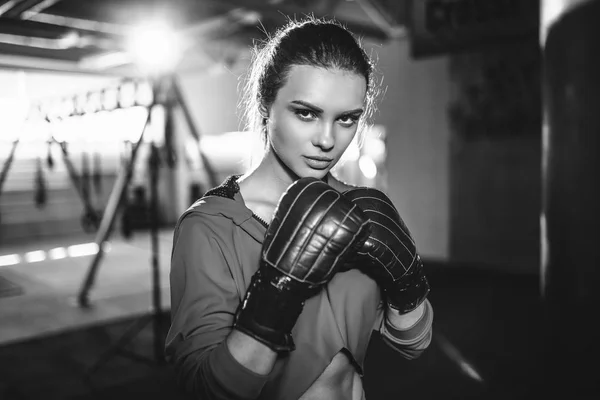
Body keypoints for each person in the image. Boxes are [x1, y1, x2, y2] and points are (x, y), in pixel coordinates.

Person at [165, 16, 434, 400]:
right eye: (305, 113)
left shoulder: (361, 210)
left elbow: (414, 344)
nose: (327, 140)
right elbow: (203, 390)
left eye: (346, 119)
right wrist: (276, 291)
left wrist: (407, 282)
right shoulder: (211, 227)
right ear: (265, 104)